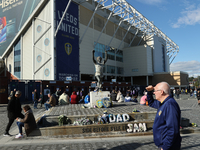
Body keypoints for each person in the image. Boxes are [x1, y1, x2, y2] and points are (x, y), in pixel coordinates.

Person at [146, 82, 181, 150]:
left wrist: (165, 147)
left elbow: (172, 129)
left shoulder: (170, 105)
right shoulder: (163, 103)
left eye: (155, 91)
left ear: (162, 92)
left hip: (168, 147)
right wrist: (149, 92)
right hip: (163, 145)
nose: (154, 93)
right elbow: (151, 103)